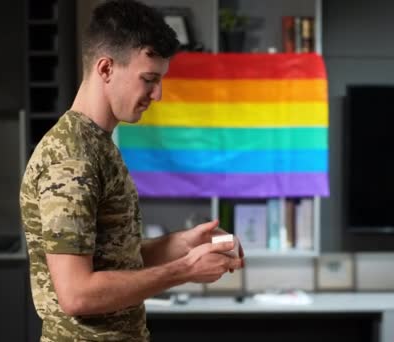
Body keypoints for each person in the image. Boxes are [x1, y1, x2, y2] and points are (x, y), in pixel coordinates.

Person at [19, 1, 244, 340]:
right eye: (149, 79)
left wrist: (184, 243)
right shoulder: (71, 159)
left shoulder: (98, 145)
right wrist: (185, 270)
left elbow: (114, 259)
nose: (158, 94)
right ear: (106, 68)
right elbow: (76, 294)